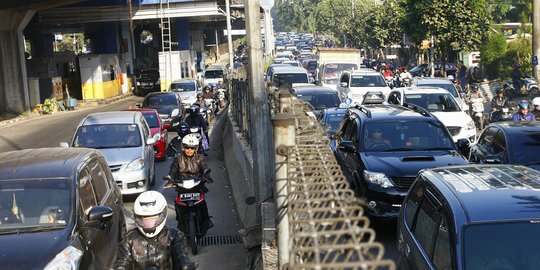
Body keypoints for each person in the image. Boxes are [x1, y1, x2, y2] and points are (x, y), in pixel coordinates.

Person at [114, 191, 198, 270]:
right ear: (137, 218)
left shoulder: (174, 235)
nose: (149, 224)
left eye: (152, 219)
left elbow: (181, 255)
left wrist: (184, 264)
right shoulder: (129, 239)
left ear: (163, 215)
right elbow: (123, 261)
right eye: (144, 219)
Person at [166, 135, 213, 229]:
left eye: (192, 148)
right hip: (182, 186)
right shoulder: (178, 159)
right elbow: (173, 171)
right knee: (177, 203)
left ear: (195, 148)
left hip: (197, 185)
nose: (189, 150)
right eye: (187, 147)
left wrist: (206, 176)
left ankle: (206, 220)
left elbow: (204, 168)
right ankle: (180, 221)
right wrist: (170, 179)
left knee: (202, 202)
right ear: (183, 147)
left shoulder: (200, 158)